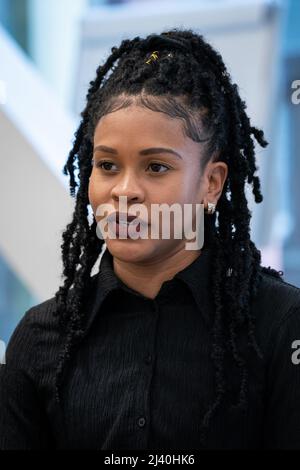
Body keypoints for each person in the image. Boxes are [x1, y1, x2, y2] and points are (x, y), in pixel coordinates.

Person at [1, 29, 300, 450]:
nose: (124, 191)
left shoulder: (280, 326)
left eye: (156, 167)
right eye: (106, 165)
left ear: (211, 183)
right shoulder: (40, 338)